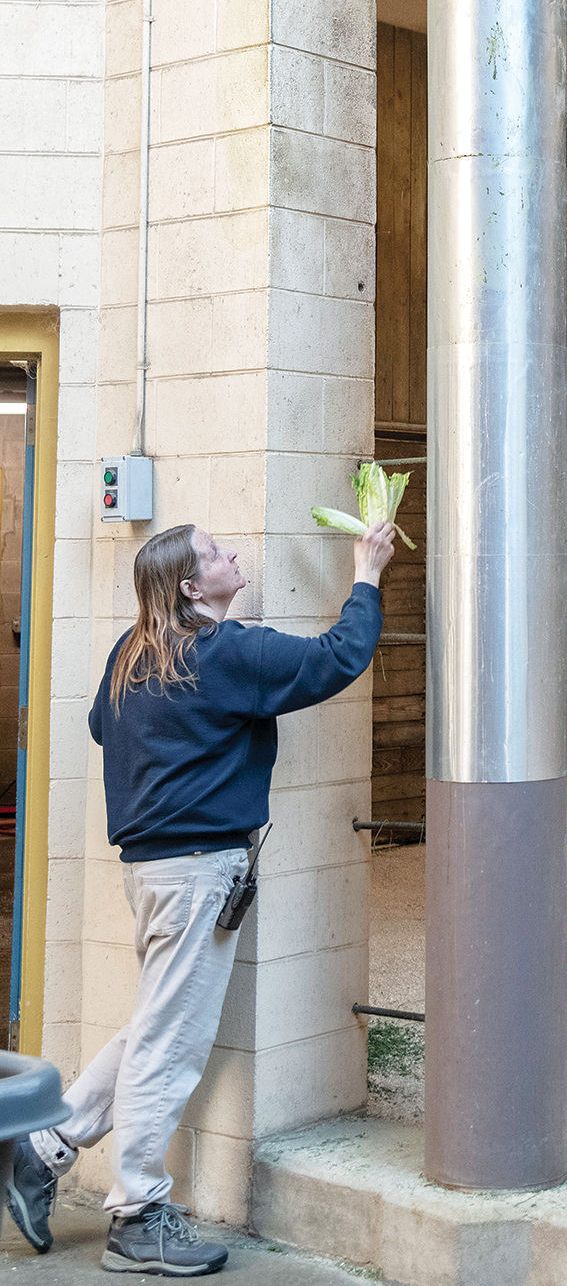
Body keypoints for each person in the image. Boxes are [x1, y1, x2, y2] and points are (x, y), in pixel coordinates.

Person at [4, 519, 396, 1276]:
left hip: (152, 871)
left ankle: (42, 1147)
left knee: (156, 1023)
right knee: (170, 1044)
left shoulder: (131, 652)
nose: (234, 556)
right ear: (190, 586)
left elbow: (97, 725)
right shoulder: (225, 651)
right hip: (196, 872)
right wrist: (367, 574)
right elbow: (335, 658)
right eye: (218, 554)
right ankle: (137, 1215)